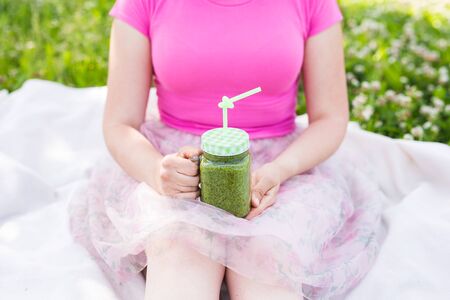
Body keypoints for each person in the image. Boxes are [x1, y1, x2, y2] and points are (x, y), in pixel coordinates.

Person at [69, 0, 385, 299]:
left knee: (267, 255)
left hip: (279, 167)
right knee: (180, 246)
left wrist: (281, 170)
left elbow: (330, 118)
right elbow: (119, 124)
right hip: (177, 163)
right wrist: (156, 171)